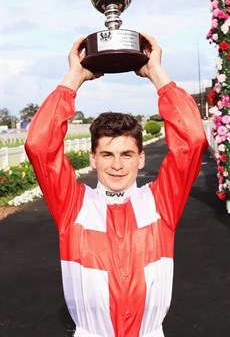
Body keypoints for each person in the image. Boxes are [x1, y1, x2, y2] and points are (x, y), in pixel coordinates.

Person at [25, 33, 208, 337]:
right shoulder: (72, 204)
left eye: (127, 154)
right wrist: (75, 76)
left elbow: (193, 139)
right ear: (93, 159)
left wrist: (156, 73)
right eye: (107, 154)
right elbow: (39, 145)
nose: (118, 165)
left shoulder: (162, 201)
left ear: (141, 159)